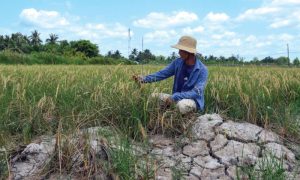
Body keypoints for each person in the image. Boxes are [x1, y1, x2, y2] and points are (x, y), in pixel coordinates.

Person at [132, 35, 208, 114]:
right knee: (153, 97)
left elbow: (196, 92)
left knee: (181, 106)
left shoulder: (202, 70)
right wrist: (144, 79)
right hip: (175, 98)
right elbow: (162, 74)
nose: (178, 52)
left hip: (191, 101)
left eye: (181, 50)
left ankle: (183, 116)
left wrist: (175, 97)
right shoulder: (177, 63)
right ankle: (166, 113)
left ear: (188, 52)